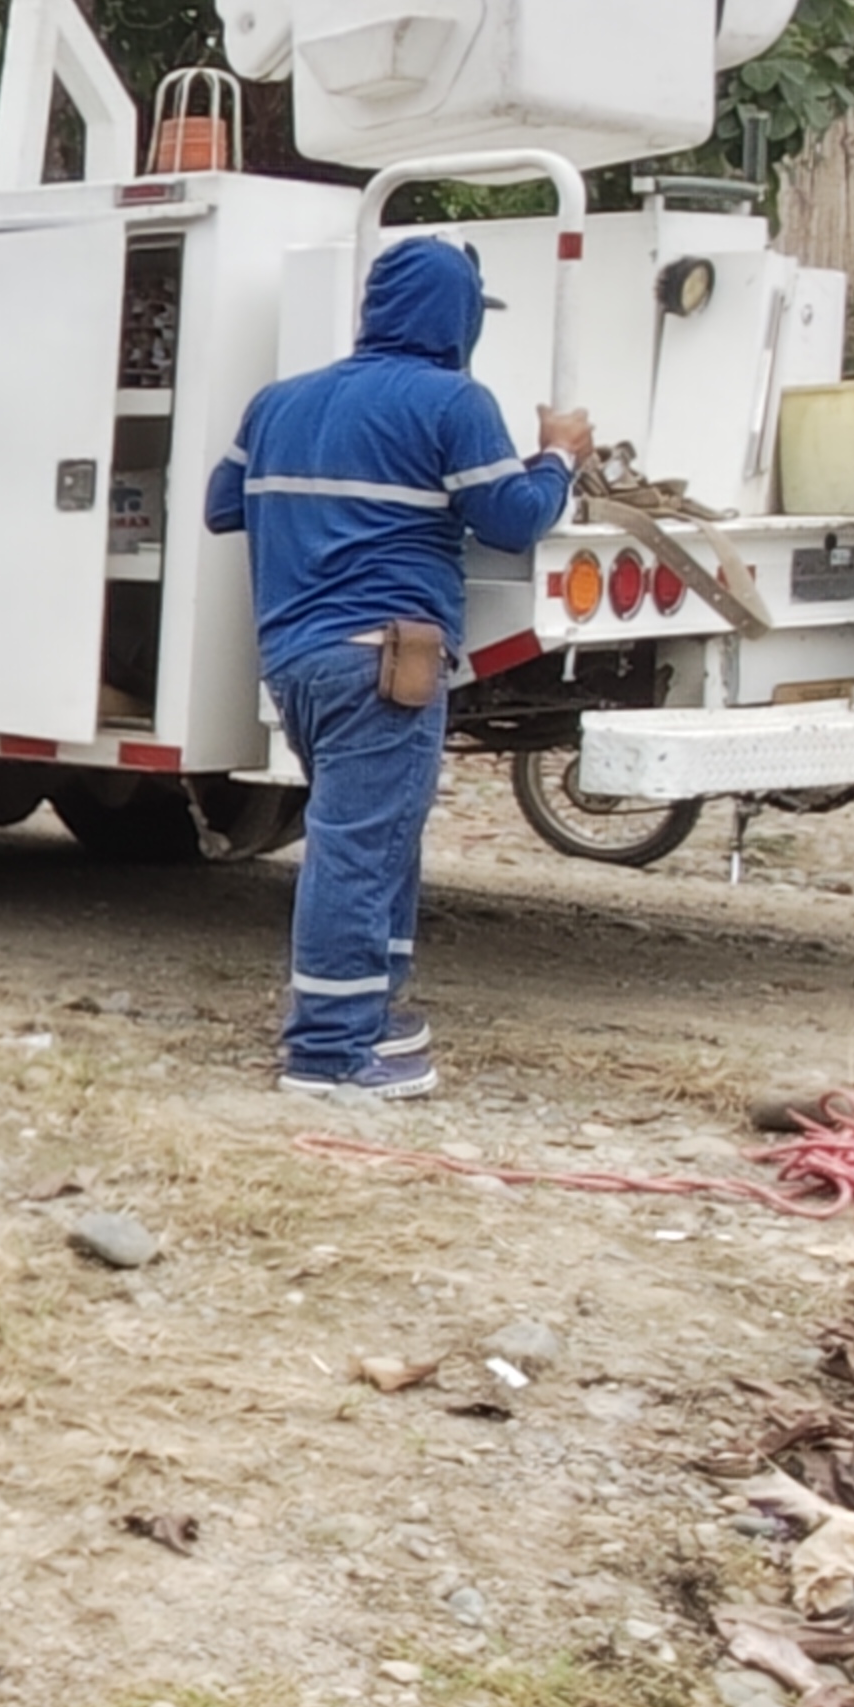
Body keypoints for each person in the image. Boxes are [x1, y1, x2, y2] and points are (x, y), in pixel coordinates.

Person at [203, 233, 590, 1100]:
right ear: (458, 320)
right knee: (359, 848)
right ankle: (330, 1054)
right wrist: (559, 455)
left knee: (376, 840)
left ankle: (372, 1010)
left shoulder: (278, 403)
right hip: (384, 662)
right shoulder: (454, 402)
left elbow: (223, 507)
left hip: (295, 661)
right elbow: (514, 519)